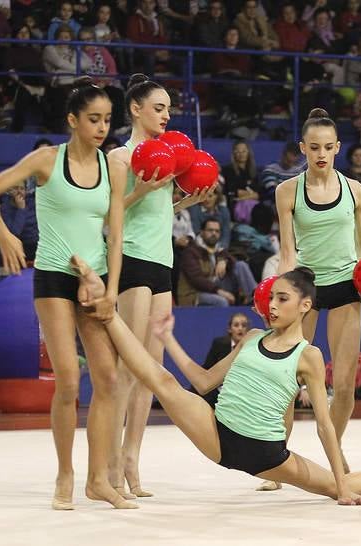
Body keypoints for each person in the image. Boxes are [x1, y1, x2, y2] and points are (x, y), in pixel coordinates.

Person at [71, 256, 361, 503]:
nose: (271, 305)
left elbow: (323, 424)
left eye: (282, 299)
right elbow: (203, 383)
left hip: (265, 453)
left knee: (343, 485)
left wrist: (341, 486)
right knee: (162, 381)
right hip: (218, 434)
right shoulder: (252, 338)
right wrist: (167, 338)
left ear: (305, 306)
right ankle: (108, 311)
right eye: (271, 298)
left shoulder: (309, 356)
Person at [0, 78, 132, 510]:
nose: (102, 127)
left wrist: (111, 289)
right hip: (53, 279)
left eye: (106, 120)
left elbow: (115, 235)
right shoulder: (47, 160)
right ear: (72, 120)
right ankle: (65, 473)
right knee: (67, 380)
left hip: (96, 280)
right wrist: (7, 236)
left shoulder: (111, 168)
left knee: (109, 379)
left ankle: (99, 479)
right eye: (93, 119)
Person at [106, 74, 210, 499]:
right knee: (128, 370)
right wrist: (141, 189)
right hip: (130, 261)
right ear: (135, 109)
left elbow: (157, 209)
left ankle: (132, 456)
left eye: (169, 109)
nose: (167, 115)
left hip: (161, 265)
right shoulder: (119, 156)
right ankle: (109, 463)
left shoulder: (167, 159)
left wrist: (186, 200)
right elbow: (108, 214)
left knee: (151, 372)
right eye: (159, 107)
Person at [270, 108, 361, 491]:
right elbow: (287, 251)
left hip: (347, 286)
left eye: (328, 147)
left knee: (345, 385)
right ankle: (276, 460)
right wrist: (281, 296)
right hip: (306, 289)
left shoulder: (356, 190)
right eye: (313, 147)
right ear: (302, 148)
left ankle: (333, 452)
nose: (321, 153)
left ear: (338, 148)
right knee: (287, 380)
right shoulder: (287, 191)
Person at [178, 217, 257, 306]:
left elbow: (232, 261)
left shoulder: (218, 249)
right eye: (210, 230)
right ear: (202, 232)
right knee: (221, 301)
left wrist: (224, 260)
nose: (214, 233)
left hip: (214, 285)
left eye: (217, 231)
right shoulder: (191, 251)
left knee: (241, 265)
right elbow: (196, 280)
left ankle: (255, 299)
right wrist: (219, 291)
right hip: (195, 292)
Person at [201, 312, 251, 407]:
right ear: (230, 329)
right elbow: (207, 367)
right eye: (236, 325)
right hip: (219, 392)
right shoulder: (219, 344)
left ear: (248, 329)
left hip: (243, 394)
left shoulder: (252, 347)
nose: (240, 328)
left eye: (244, 325)